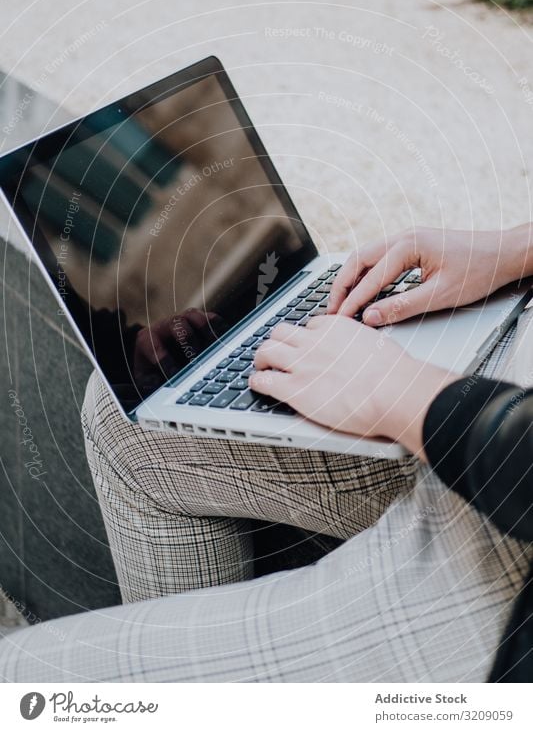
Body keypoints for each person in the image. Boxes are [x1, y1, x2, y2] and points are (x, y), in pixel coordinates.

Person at [0, 225, 532, 683]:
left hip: (508, 561)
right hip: (510, 391)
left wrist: (403, 393)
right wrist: (516, 248)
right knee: (128, 414)